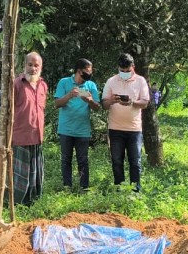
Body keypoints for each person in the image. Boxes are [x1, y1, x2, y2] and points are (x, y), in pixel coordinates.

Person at [102, 53, 150, 191]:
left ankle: (135, 190)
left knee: (135, 162)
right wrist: (112, 100)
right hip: (115, 128)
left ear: (133, 67)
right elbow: (104, 104)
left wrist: (132, 102)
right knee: (117, 161)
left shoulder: (141, 81)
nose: (124, 73)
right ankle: (119, 189)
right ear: (118, 68)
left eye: (127, 71)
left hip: (134, 129)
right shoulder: (111, 81)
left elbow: (145, 103)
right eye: (122, 71)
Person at [54, 58, 101, 191]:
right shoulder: (64, 82)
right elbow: (57, 104)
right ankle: (67, 186)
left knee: (83, 160)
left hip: (83, 130)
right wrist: (69, 95)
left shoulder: (91, 85)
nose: (90, 73)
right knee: (66, 159)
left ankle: (84, 187)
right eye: (88, 70)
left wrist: (90, 100)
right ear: (79, 71)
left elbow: (97, 107)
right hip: (66, 129)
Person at [12, 52, 48, 205]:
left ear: (40, 67)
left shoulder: (43, 85)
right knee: (21, 173)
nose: (33, 68)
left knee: (35, 171)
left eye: (36, 65)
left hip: (37, 136)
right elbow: (8, 110)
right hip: (20, 135)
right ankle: (18, 202)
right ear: (24, 65)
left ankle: (33, 200)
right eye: (30, 65)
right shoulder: (17, 84)